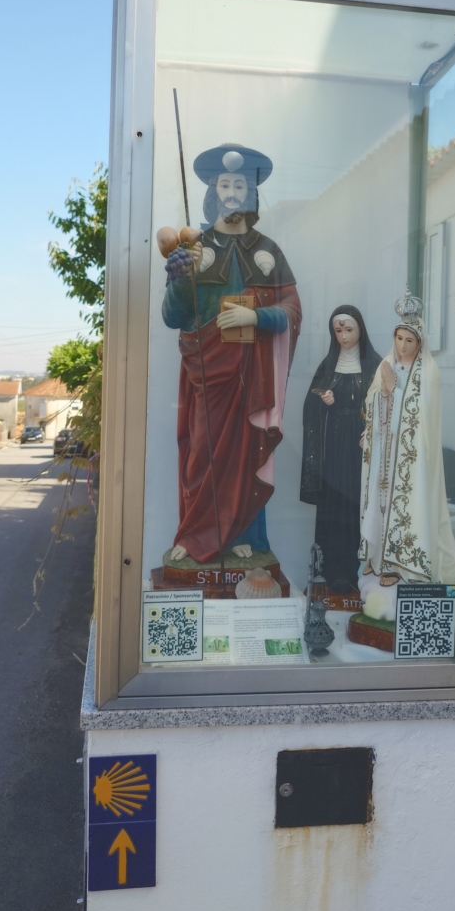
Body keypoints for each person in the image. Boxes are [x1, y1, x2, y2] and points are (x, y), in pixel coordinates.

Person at [161, 144, 301, 564]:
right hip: (207, 368)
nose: (233, 192)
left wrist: (256, 315)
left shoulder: (268, 249)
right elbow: (173, 316)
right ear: (214, 192)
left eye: (241, 185)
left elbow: (293, 311)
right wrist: (180, 279)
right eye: (226, 185)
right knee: (202, 453)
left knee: (246, 453)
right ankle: (196, 534)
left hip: (251, 372)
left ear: (251, 193)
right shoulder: (195, 247)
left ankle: (241, 533)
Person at [358, 287, 455, 615]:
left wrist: (394, 394)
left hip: (411, 457)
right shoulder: (385, 365)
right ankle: (378, 558)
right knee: (380, 503)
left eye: (409, 340)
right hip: (383, 454)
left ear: (419, 342)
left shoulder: (428, 372)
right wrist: (381, 399)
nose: (402, 346)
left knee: (406, 507)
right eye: (399, 338)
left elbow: (423, 416)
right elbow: (372, 402)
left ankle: (399, 565)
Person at [300, 307, 381, 593]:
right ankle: (330, 572)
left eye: (348, 330)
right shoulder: (328, 365)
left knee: (358, 504)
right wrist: (324, 403)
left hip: (361, 448)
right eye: (338, 331)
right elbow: (310, 407)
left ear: (359, 330)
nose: (344, 336)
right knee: (333, 504)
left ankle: (358, 573)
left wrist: (371, 431)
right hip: (333, 448)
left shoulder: (376, 365)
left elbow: (387, 406)